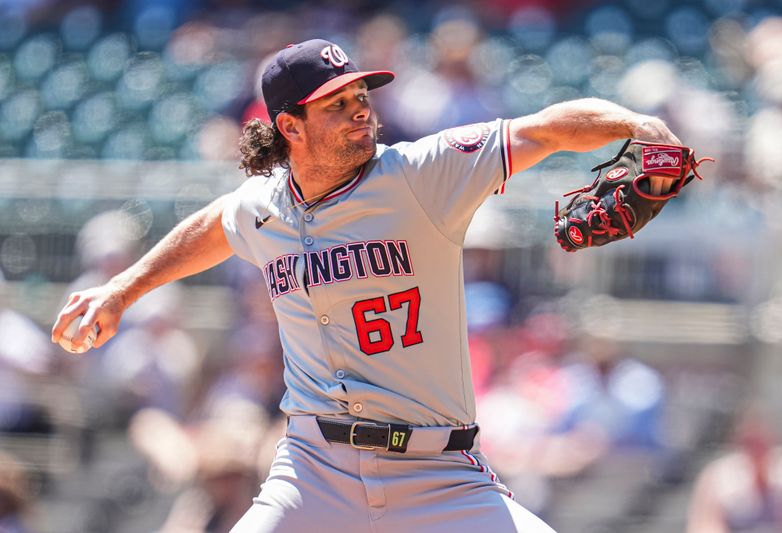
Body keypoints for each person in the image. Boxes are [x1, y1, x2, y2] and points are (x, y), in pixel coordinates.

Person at [52, 38, 682, 532]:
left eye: (363, 96)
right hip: (312, 472)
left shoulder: (421, 172)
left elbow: (540, 129)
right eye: (336, 103)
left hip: (440, 475)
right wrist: (123, 288)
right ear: (289, 127)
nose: (360, 111)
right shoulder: (263, 205)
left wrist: (638, 124)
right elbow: (215, 223)